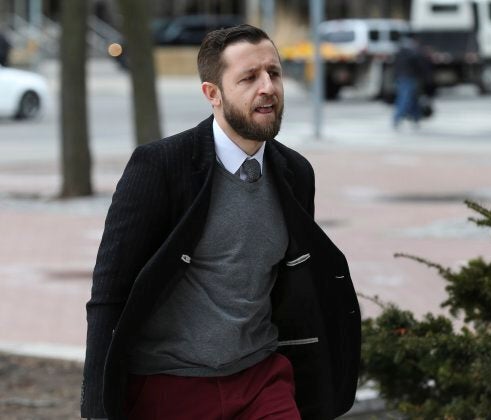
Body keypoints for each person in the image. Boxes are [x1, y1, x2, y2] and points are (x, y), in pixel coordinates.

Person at [80, 24, 361, 420]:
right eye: (249, 77)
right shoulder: (161, 167)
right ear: (213, 93)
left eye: (274, 73)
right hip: (169, 384)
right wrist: (96, 407)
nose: (268, 87)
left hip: (262, 379)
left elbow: (293, 285)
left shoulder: (296, 173)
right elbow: (109, 292)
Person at [392, 36, 432, 129]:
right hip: (410, 78)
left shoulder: (401, 52)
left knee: (412, 100)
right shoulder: (413, 53)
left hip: (403, 78)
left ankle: (415, 118)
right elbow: (421, 66)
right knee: (405, 99)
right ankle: (397, 119)